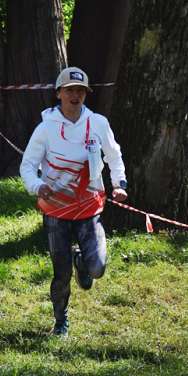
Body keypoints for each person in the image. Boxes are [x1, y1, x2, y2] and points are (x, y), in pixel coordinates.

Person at [20, 67, 128, 337]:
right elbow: (27, 166)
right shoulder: (46, 128)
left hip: (90, 206)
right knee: (61, 274)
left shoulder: (98, 123)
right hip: (56, 209)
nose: (75, 94)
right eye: (69, 89)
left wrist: (119, 184)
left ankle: (82, 260)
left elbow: (114, 157)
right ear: (58, 94)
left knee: (97, 268)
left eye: (80, 90)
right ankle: (61, 321)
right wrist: (37, 185)